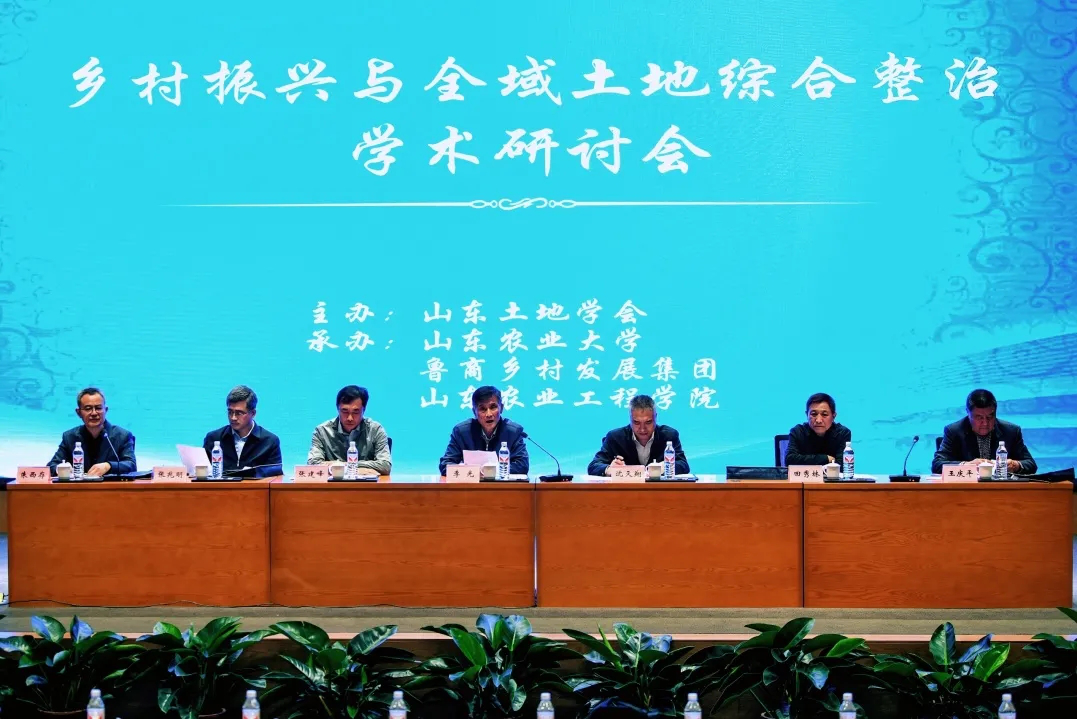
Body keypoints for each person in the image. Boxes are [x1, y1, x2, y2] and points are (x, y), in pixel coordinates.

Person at [932, 388, 1037, 474]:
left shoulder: (1011, 431)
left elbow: (1031, 464)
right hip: (966, 490)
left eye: (990, 417)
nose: (985, 423)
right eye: (979, 417)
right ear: (968, 412)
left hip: (1001, 489)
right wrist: (966, 465)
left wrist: (1015, 465)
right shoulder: (954, 431)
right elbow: (937, 465)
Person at [587, 394, 690, 476]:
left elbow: (683, 465)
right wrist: (610, 469)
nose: (642, 429)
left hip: (660, 493)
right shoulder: (615, 437)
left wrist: (664, 467)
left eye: (648, 422)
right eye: (636, 422)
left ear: (655, 417)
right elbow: (594, 466)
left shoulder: (669, 435)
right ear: (630, 418)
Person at [439, 385, 528, 476]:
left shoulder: (513, 432)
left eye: (493, 407)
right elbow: (445, 465)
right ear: (474, 412)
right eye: (482, 409)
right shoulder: (462, 432)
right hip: (472, 484)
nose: (489, 414)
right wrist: (471, 470)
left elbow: (522, 465)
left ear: (501, 408)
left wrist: (490, 470)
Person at [48, 387, 137, 476]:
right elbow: (51, 466)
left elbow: (131, 465)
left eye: (98, 408)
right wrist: (60, 468)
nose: (94, 413)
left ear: (105, 410)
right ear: (78, 413)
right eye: (88, 409)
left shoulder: (122, 436)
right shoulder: (70, 437)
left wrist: (108, 466)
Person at [308, 385, 392, 475]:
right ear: (337, 409)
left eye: (356, 412)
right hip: (334, 483)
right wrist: (351, 468)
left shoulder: (375, 430)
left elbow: (385, 466)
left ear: (364, 410)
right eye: (345, 411)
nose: (350, 418)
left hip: (365, 484)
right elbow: (313, 464)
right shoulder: (322, 431)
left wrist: (341, 466)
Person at [201, 385, 282, 477]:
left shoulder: (269, 442)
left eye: (239, 413)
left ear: (253, 413)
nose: (233, 418)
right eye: (230, 412)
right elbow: (202, 475)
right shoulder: (213, 438)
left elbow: (275, 479)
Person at [784, 392, 852, 466]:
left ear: (833, 416)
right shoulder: (798, 432)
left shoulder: (842, 433)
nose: (818, 420)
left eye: (824, 414)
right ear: (807, 415)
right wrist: (826, 458)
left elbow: (843, 466)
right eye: (814, 414)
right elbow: (789, 460)